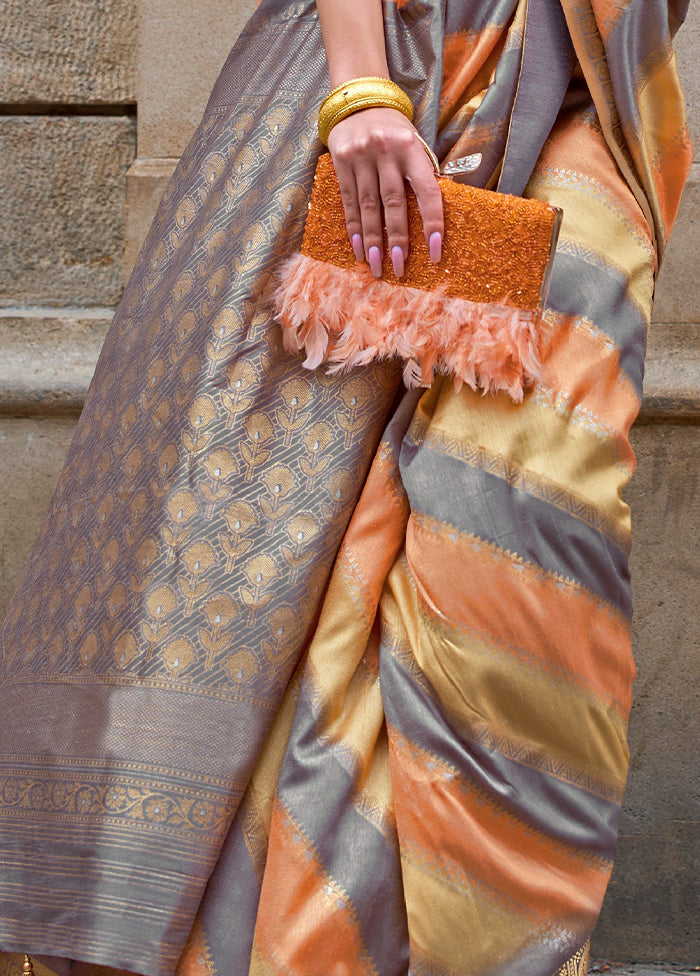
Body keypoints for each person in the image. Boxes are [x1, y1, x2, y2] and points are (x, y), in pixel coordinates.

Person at [0, 1, 692, 975]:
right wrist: (360, 90)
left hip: (589, 95)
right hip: (386, 80)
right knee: (282, 525)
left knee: (522, 529)